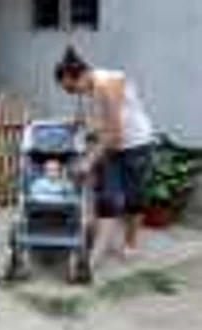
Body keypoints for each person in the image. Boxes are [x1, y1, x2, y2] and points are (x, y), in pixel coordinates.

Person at [55, 46, 155, 261]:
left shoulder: (109, 84)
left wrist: (89, 161)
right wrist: (76, 123)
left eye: (72, 89)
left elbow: (115, 133)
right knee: (107, 197)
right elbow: (90, 117)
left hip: (135, 144)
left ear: (82, 75)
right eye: (68, 91)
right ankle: (95, 255)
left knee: (133, 198)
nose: (73, 94)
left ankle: (130, 244)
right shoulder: (86, 89)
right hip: (109, 145)